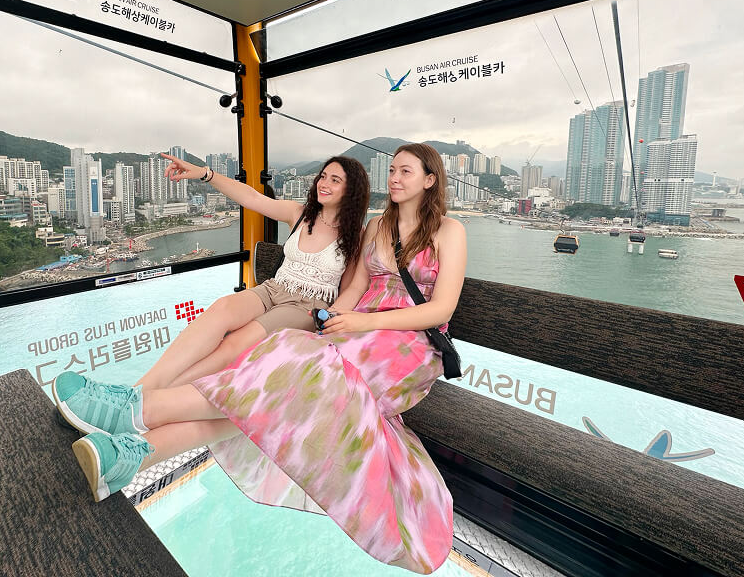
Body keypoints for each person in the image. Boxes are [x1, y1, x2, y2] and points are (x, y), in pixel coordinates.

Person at [57, 144, 466, 574]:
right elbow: (355, 290)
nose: (395, 177)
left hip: (406, 344)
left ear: (430, 179)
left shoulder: (449, 231)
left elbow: (441, 310)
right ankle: (134, 455)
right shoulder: (379, 228)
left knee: (282, 370)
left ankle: (136, 411)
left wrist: (357, 322)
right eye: (393, 169)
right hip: (357, 326)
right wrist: (333, 321)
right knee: (276, 387)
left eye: (405, 171)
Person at [54, 151, 370, 428]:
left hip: (306, 306)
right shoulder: (300, 214)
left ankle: (138, 406)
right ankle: (135, 391)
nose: (324, 184)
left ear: (351, 190)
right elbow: (251, 198)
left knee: (234, 344)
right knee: (220, 310)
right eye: (323, 176)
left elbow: (351, 288)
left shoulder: (356, 235)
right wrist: (205, 174)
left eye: (335, 180)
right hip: (274, 288)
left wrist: (331, 322)